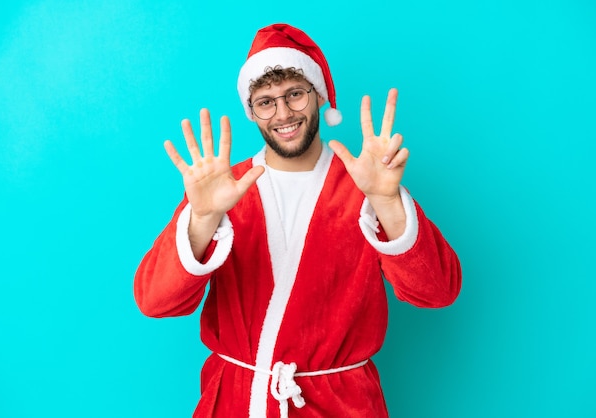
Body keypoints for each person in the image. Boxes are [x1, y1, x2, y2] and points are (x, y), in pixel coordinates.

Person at [134, 23, 461, 418]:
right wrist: (203, 216)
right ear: (251, 112)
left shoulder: (366, 183)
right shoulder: (222, 190)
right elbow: (155, 302)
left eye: (295, 95)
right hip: (238, 403)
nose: (283, 113)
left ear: (318, 96)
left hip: (343, 405)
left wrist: (387, 200)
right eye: (266, 101)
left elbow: (438, 291)